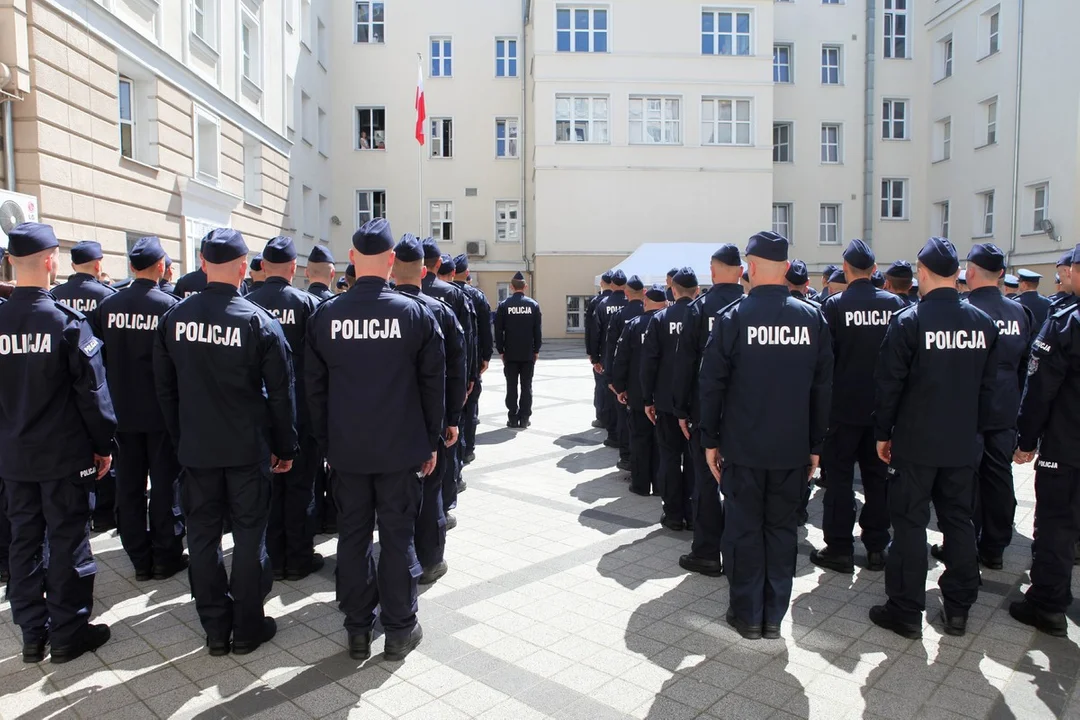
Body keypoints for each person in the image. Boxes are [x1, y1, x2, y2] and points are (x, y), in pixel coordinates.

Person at [306, 218, 445, 661]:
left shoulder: (325, 315)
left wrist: (327, 444)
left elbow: (313, 390)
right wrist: (431, 442)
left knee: (353, 538)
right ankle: (401, 628)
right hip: (400, 450)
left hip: (348, 451)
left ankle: (358, 629)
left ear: (350, 259)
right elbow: (433, 385)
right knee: (398, 537)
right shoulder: (415, 314)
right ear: (391, 261)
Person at [154, 227, 297, 656]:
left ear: (201, 264)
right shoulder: (258, 322)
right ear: (242, 267)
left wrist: (183, 438)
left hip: (197, 448)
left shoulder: (174, 319)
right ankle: (248, 627)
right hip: (245, 449)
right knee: (250, 536)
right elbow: (281, 395)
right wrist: (286, 447)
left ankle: (215, 629)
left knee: (202, 536)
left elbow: (165, 390)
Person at [699, 230, 833, 640]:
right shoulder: (812, 317)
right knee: (780, 532)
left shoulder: (734, 318)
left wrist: (709, 440)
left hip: (744, 448)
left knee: (742, 531)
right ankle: (773, 616)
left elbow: (711, 384)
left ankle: (747, 616)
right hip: (792, 450)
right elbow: (823, 387)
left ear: (751, 268)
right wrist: (815, 446)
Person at [871, 237, 999, 639]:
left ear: (922, 273)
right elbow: (990, 390)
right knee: (958, 520)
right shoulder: (982, 323)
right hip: (962, 443)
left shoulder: (910, 321)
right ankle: (958, 607)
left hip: (915, 442)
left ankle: (906, 609)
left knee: (909, 523)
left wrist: (882, 434)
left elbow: (888, 386)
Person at [0, 222, 116, 663]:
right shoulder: (67, 324)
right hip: (64, 457)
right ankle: (68, 632)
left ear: (11, 260)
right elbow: (93, 395)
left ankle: (32, 634)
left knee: (23, 540)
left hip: (13, 457)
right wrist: (104, 445)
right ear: (51, 261)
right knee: (68, 540)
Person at [926, 244, 1034, 570]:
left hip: (966, 413)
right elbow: (1024, 368)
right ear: (1001, 274)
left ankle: (962, 543)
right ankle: (995, 547)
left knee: (963, 482)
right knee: (999, 478)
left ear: (969, 273)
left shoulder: (964, 310)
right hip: (1004, 411)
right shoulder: (1020, 313)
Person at [811, 239, 905, 575]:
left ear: (846, 269)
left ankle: (839, 547)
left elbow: (822, 364)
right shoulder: (896, 305)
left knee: (838, 480)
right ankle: (877, 546)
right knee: (877, 479)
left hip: (842, 412)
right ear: (875, 270)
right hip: (882, 412)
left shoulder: (834, 306)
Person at [95, 237, 187, 582]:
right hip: (161, 414)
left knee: (129, 488)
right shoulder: (170, 307)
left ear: (131, 268)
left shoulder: (108, 306)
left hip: (121, 414)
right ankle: (166, 555)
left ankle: (138, 557)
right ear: (162, 267)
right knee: (165, 485)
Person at [246, 236, 324, 582]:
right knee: (301, 487)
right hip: (302, 412)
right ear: (294, 268)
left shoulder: (248, 305)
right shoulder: (309, 304)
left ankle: (273, 557)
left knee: (270, 490)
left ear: (262, 267)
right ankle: (299, 558)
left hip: (260, 416)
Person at [1012, 244, 1080, 637]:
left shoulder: (1068, 321)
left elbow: (1040, 387)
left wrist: (1027, 438)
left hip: (1068, 445)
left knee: (1055, 524)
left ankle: (1048, 603)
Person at [392, 235, 466, 584]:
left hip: (389, 423)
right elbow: (456, 369)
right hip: (429, 421)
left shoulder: (382, 307)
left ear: (392, 267)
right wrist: (452, 419)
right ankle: (430, 560)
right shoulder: (442, 310)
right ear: (424, 270)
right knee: (430, 490)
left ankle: (400, 559)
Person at [672, 244, 744, 578]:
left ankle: (706, 552)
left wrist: (682, 410)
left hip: (705, 414)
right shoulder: (750, 307)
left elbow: (685, 365)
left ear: (714, 271)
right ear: (741, 271)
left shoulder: (700, 309)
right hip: (744, 416)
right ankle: (736, 553)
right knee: (739, 486)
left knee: (705, 483)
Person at [49, 240, 117, 531]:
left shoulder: (55, 295)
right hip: (100, 384)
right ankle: (103, 515)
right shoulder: (108, 297)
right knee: (104, 456)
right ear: (99, 264)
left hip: (61, 393)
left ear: (71, 265)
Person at [420, 243, 476, 517]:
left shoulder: (396, 295)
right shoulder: (452, 296)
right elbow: (465, 345)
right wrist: (470, 377)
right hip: (443, 390)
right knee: (448, 444)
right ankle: (446, 504)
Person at [642, 267, 699, 532]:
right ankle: (693, 511)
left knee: (669, 458)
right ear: (697, 291)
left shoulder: (661, 319)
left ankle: (673, 513)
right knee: (694, 461)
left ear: (672, 291)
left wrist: (647, 398)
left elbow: (649, 362)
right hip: (696, 404)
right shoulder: (703, 316)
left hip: (666, 402)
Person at [611, 285, 666, 497]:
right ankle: (662, 486)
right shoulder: (672, 323)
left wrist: (620, 387)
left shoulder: (635, 325)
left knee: (640, 440)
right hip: (663, 396)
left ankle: (641, 484)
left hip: (637, 394)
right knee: (663, 443)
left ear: (645, 302)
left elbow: (621, 359)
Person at [452, 254, 493, 465]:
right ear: (467, 273)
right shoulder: (476, 296)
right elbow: (486, 330)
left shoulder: (447, 293)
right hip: (472, 358)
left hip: (450, 363)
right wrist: (486, 357)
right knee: (471, 407)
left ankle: (455, 450)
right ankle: (468, 449)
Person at [605, 275, 645, 468]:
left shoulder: (620, 315)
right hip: (646, 377)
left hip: (626, 376)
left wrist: (611, 377)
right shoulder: (652, 313)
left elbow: (611, 348)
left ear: (627, 293)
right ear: (644, 292)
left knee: (624, 417)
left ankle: (627, 456)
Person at [495, 271, 542, 429]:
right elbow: (537, 331)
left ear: (511, 287)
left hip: (510, 353)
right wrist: (537, 350)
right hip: (528, 353)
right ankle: (524, 418)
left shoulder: (504, 305)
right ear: (525, 287)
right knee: (526, 385)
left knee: (511, 385)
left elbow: (498, 330)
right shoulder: (533, 305)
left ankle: (512, 417)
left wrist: (501, 350)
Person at [592, 271, 629, 447]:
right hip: (630, 359)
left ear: (612, 284)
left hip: (608, 356)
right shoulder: (631, 303)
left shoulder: (602, 304)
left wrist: (594, 357)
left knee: (609, 394)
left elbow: (595, 332)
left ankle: (613, 433)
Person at [586, 271, 614, 429]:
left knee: (601, 385)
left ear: (602, 283)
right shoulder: (625, 300)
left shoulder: (597, 302)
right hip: (619, 353)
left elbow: (591, 330)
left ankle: (602, 417)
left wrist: (592, 354)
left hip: (602, 352)